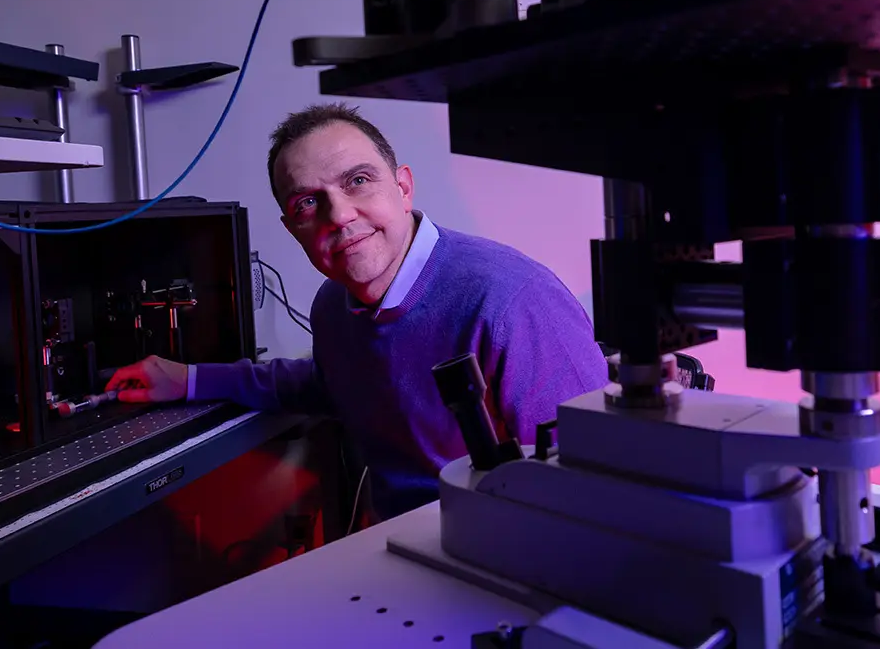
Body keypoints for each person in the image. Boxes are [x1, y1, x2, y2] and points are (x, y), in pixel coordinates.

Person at [106, 102, 609, 521]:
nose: (339, 215)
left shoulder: (511, 301)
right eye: (308, 203)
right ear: (291, 227)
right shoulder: (333, 305)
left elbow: (593, 484)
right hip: (397, 548)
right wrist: (190, 380)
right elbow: (329, 383)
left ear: (404, 186)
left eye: (359, 181)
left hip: (504, 553)